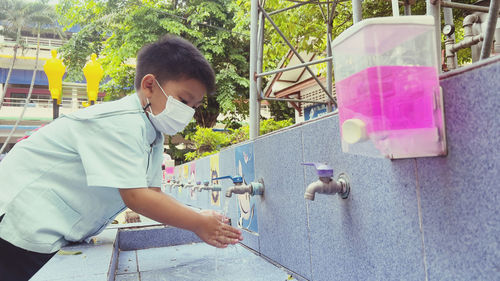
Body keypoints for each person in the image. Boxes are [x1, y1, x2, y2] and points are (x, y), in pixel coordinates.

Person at [0, 35, 243, 281]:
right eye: (183, 100)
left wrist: (199, 216)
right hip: (18, 223)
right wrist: (197, 223)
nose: (188, 112)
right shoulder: (122, 122)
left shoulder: (152, 132)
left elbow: (153, 193)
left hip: (39, 229)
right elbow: (136, 196)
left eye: (195, 106)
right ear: (149, 85)